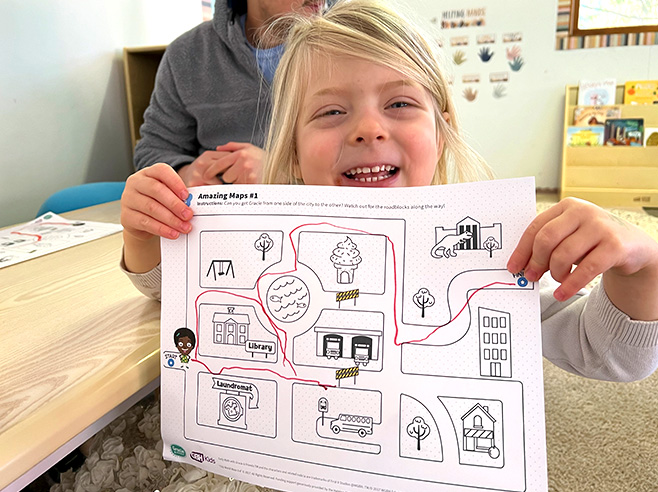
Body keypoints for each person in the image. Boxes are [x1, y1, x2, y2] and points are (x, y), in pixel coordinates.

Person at [120, 0, 658, 382]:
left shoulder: (492, 253)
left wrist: (642, 263)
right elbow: (174, 290)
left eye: (399, 104)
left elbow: (611, 356)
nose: (367, 129)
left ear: (443, 127)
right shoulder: (273, 239)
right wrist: (146, 229)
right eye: (331, 112)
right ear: (292, 149)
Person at [134, 0, 326, 187]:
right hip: (219, 211)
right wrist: (185, 174)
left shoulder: (351, 42)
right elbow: (154, 149)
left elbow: (354, 157)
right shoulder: (187, 54)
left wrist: (282, 175)